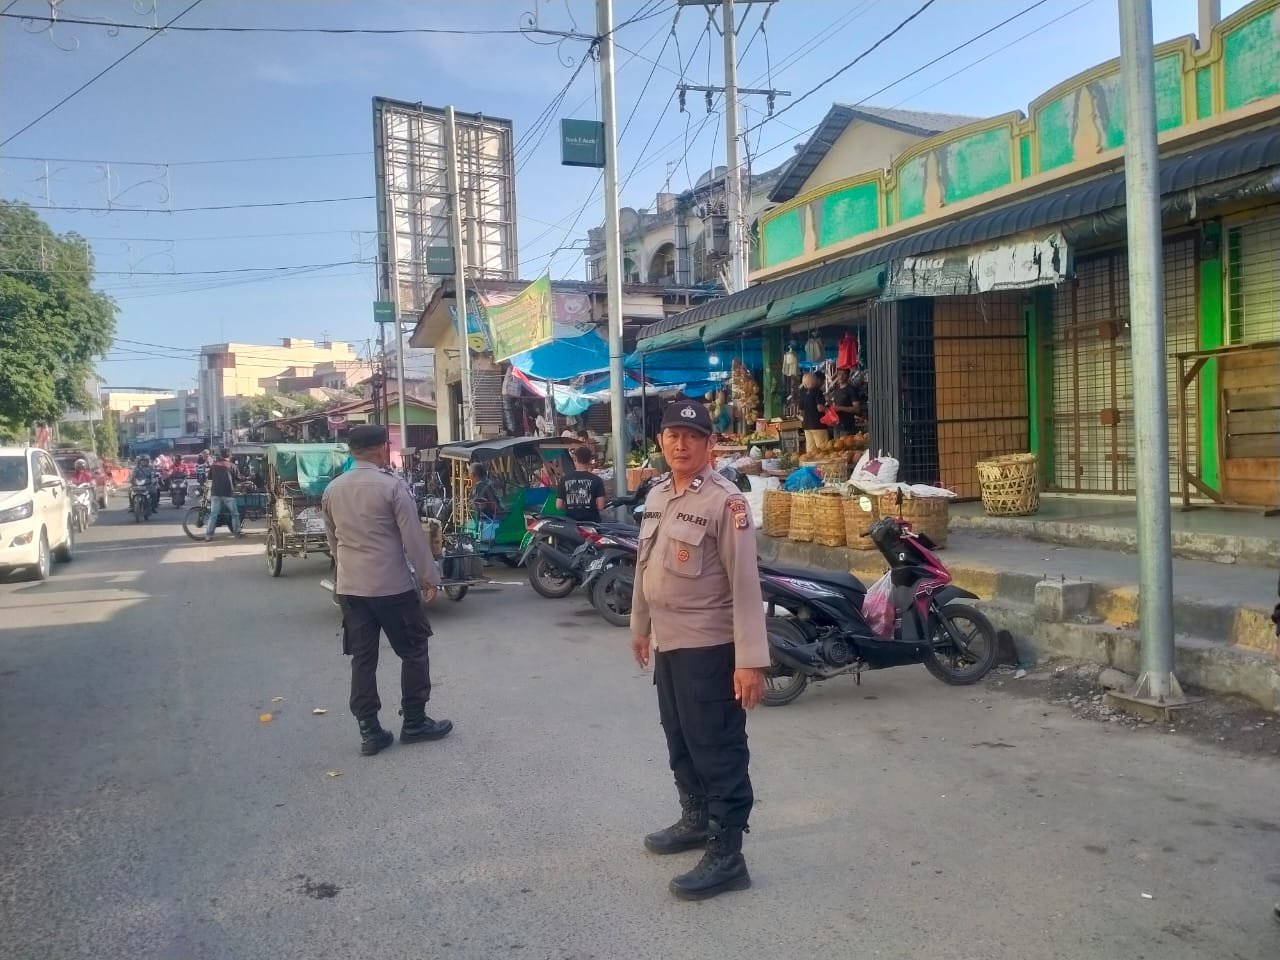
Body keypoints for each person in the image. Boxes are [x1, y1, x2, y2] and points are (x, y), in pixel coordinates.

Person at [629, 400, 769, 902]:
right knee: (681, 739)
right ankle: (694, 819)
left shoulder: (725, 502)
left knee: (717, 748)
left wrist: (749, 660)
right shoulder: (657, 494)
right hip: (669, 644)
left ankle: (728, 855)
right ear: (661, 442)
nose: (681, 444)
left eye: (692, 436)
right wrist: (640, 626)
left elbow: (746, 585)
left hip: (710, 647)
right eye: (673, 435)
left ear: (711, 445)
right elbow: (644, 566)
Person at [322, 424, 452, 756]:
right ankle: (415, 721)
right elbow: (413, 538)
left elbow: (333, 541)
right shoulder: (391, 486)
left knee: (363, 658)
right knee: (414, 650)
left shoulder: (332, 489)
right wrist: (429, 577)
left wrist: (346, 571)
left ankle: (369, 731)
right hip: (391, 585)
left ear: (352, 451)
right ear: (382, 448)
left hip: (351, 587)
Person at [557, 447, 606, 523]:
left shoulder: (564, 480)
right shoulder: (597, 480)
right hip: (592, 523)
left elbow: (559, 505)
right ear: (589, 460)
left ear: (575, 459)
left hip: (571, 523)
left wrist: (571, 506)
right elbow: (601, 506)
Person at [204, 448, 243, 541]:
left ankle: (208, 535)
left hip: (215, 493)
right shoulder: (231, 465)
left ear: (221, 455)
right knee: (234, 514)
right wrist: (249, 478)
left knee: (213, 515)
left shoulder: (214, 465)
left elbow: (209, 478)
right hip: (228, 493)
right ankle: (237, 533)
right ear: (229, 456)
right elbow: (239, 478)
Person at [828, 368, 864, 438]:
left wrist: (840, 408)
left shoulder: (851, 390)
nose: (841, 376)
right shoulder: (836, 390)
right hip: (836, 427)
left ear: (848, 376)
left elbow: (857, 409)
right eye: (839, 374)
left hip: (847, 428)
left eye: (843, 374)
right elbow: (835, 406)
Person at [798, 371, 828, 453]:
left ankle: (811, 462)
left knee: (811, 451)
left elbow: (801, 411)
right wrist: (829, 410)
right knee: (822, 450)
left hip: (807, 425)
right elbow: (820, 408)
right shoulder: (817, 391)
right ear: (814, 380)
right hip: (818, 425)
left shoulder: (802, 393)